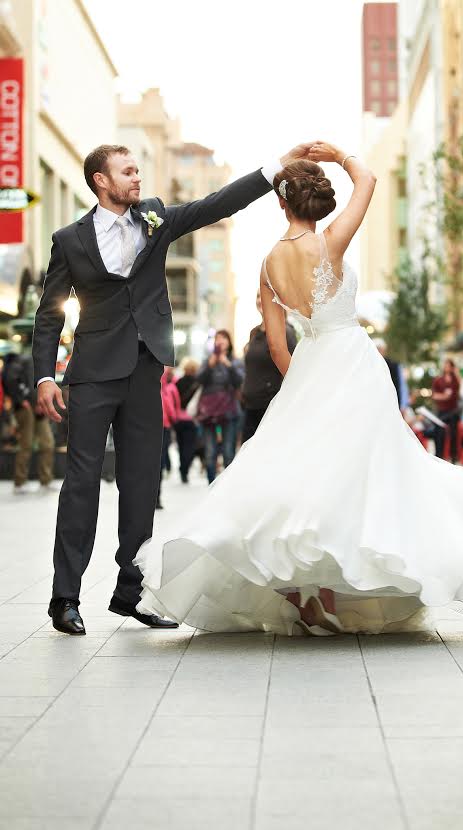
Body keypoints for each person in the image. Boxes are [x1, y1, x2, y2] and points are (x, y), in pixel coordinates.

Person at [135, 144, 463, 637]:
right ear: (312, 201)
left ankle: (307, 590)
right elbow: (367, 181)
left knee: (306, 472)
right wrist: (341, 155)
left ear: (280, 202)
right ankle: (340, 581)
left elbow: (278, 346)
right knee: (362, 473)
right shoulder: (329, 244)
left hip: (311, 364)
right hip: (353, 361)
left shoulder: (267, 265)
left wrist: (304, 383)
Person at [33, 139, 313, 635]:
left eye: (139, 170)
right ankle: (65, 599)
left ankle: (130, 593)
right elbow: (49, 313)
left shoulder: (156, 219)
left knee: (142, 487)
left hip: (145, 372)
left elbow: (215, 205)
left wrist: (274, 168)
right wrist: (44, 375)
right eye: (127, 171)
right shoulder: (69, 240)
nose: (137, 178)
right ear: (101, 180)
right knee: (81, 486)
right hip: (93, 374)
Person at [241, 287, 297, 442]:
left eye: (265, 295)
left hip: (271, 409)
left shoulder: (286, 332)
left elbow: (293, 370)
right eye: (258, 296)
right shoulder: (254, 333)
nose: (261, 300)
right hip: (250, 408)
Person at [2, 351, 55, 494]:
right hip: (26, 408)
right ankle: (20, 483)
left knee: (47, 443)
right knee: (26, 444)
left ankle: (46, 480)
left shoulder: (33, 361)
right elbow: (12, 380)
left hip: (36, 406)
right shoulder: (27, 360)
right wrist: (21, 400)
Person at [196, 329, 242, 483]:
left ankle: (227, 487)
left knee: (229, 451)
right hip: (209, 412)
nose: (220, 341)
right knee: (210, 452)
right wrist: (210, 364)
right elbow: (199, 379)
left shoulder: (235, 361)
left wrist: (227, 364)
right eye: (217, 338)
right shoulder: (208, 360)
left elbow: (239, 381)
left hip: (229, 410)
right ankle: (211, 486)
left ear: (229, 342)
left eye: (223, 338)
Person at [157, 368, 180, 509]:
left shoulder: (165, 388)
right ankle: (157, 497)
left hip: (157, 426)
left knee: (156, 463)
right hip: (163, 426)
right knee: (159, 463)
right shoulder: (169, 388)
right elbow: (173, 409)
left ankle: (155, 497)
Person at [174, 358, 200, 483]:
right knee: (190, 447)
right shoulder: (198, 383)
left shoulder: (178, 382)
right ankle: (184, 468)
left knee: (181, 445)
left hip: (178, 419)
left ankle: (182, 468)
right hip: (192, 419)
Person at [431, 358, 460, 463]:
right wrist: (444, 396)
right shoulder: (439, 380)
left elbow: (458, 391)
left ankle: (454, 456)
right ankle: (439, 455)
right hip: (442, 410)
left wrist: (457, 373)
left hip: (453, 410)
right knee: (439, 433)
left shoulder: (455, 380)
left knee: (453, 434)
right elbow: (434, 395)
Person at [373, 339, 408, 412]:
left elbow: (400, 386)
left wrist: (401, 405)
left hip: (390, 404)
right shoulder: (369, 366)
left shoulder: (393, 366)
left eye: (380, 350)